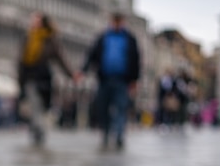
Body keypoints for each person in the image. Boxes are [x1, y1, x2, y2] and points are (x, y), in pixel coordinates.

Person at [79, 12, 141, 149]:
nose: (117, 24)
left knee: (120, 107)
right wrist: (83, 70)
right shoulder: (103, 37)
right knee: (103, 107)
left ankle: (119, 134)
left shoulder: (130, 39)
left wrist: (135, 80)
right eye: (115, 21)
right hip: (104, 78)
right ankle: (106, 133)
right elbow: (92, 54)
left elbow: (136, 60)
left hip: (122, 80)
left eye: (119, 21)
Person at [18, 12, 76, 146]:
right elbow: (21, 60)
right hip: (29, 77)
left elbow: (60, 58)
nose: (33, 23)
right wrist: (19, 78)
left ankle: (37, 129)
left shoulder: (50, 39)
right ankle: (39, 130)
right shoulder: (28, 37)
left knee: (41, 107)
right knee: (34, 105)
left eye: (36, 21)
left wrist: (71, 74)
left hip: (43, 77)